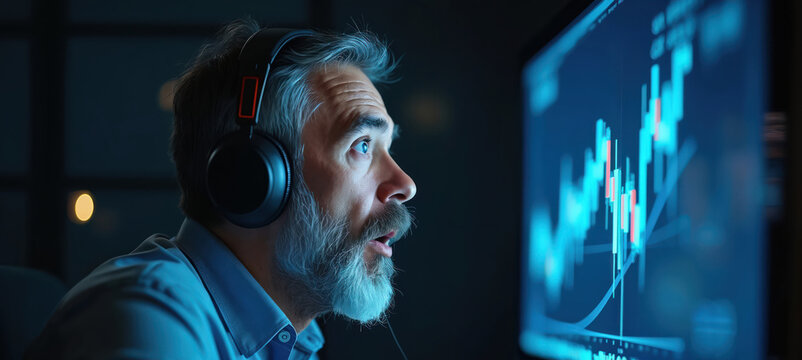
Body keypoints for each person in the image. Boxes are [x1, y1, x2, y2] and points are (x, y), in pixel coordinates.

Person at [26, 18, 416, 360]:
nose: (405, 185)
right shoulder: (149, 316)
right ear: (255, 176)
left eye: (388, 148)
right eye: (362, 145)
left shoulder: (295, 342)